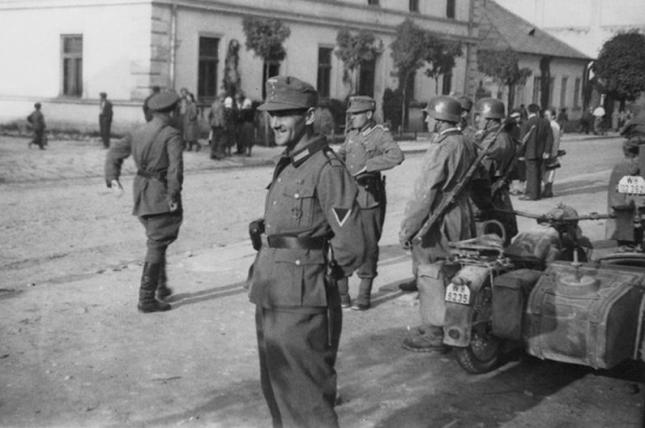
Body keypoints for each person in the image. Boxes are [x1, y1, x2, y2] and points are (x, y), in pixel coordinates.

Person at [248, 75, 365, 428]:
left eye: (285, 114)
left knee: (307, 399)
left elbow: (352, 244)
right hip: (270, 290)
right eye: (272, 114)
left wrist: (320, 278)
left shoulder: (326, 169)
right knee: (278, 391)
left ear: (310, 115)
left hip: (303, 301)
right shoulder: (289, 162)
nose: (275, 122)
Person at [399, 95, 476, 352]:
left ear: (442, 120)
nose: (427, 119)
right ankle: (446, 324)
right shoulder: (466, 142)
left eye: (430, 116)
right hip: (461, 215)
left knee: (431, 272)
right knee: (452, 271)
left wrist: (408, 229)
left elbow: (425, 193)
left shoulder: (443, 146)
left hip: (439, 220)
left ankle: (434, 332)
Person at [105, 91, 184, 313]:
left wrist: (112, 179)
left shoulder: (138, 132)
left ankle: (161, 287)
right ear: (171, 111)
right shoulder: (171, 134)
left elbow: (113, 153)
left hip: (141, 193)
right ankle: (147, 298)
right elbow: (175, 169)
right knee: (157, 242)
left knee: (157, 239)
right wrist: (173, 196)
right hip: (160, 195)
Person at [336, 95, 404, 310]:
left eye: (355, 114)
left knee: (368, 246)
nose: (352, 118)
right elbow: (341, 155)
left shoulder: (380, 134)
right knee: (340, 243)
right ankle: (342, 295)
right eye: (350, 114)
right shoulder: (351, 134)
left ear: (367, 114)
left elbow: (396, 156)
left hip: (369, 198)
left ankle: (364, 296)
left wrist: (370, 166)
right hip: (346, 197)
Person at [473, 98, 518, 244]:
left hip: (492, 202)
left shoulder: (494, 140)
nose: (476, 119)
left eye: (479, 116)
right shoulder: (502, 136)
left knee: (491, 247)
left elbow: (480, 173)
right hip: (498, 199)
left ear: (489, 119)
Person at [519, 104, 553, 201]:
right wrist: (547, 151)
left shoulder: (526, 123)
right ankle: (537, 193)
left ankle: (531, 194)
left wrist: (520, 153)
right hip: (541, 152)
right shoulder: (545, 122)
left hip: (530, 153)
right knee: (538, 173)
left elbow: (523, 140)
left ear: (528, 111)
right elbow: (549, 138)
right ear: (538, 112)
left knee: (531, 174)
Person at [543, 107, 563, 198]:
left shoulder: (552, 125)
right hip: (553, 151)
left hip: (551, 152)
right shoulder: (555, 125)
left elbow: (553, 140)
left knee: (548, 172)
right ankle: (548, 190)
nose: (545, 117)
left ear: (553, 116)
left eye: (547, 115)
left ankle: (547, 191)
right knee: (550, 171)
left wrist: (549, 151)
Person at [208, 94, 226, 160]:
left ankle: (212, 154)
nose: (223, 99)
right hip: (219, 124)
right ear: (220, 98)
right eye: (222, 98)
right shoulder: (221, 105)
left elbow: (209, 115)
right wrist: (223, 125)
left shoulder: (213, 104)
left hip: (214, 124)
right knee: (219, 140)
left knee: (214, 139)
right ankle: (218, 155)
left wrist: (211, 122)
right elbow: (221, 116)